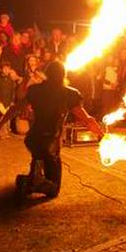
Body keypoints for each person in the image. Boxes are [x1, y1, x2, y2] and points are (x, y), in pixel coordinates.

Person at [21, 61, 103, 198]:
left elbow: (15, 107)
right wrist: (101, 133)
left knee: (38, 155)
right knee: (54, 189)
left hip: (32, 139)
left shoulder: (34, 90)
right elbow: (86, 118)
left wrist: (0, 123)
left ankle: (33, 176)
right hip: (50, 142)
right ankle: (33, 182)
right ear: (63, 75)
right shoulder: (69, 93)